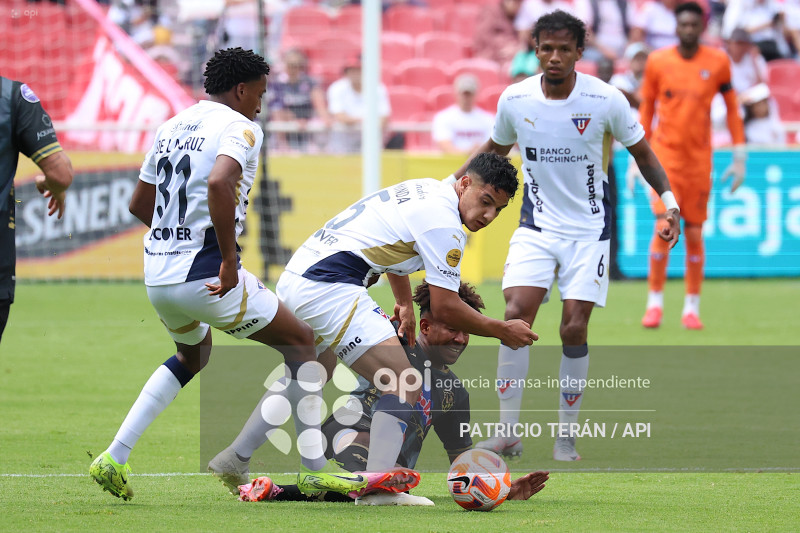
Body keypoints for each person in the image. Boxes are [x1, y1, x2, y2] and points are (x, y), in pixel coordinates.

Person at [89, 47, 367, 501]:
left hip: (159, 276)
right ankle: (314, 469)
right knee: (306, 346)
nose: (261, 103)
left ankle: (114, 457)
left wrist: (178, 243)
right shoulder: (241, 126)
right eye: (259, 93)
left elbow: (140, 204)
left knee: (191, 357)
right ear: (240, 90)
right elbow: (220, 182)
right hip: (207, 275)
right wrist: (227, 258)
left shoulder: (171, 126)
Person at [207, 152, 538, 501]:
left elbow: (397, 252)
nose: (488, 216)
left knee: (312, 371)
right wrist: (502, 329)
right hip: (330, 284)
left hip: (300, 276)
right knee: (404, 379)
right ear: (465, 183)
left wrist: (405, 303)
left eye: (498, 210)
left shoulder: (427, 190)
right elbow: (444, 306)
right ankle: (378, 488)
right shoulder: (445, 225)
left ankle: (236, 456)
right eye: (485, 202)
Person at [445, 10, 680, 461]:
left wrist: (669, 204)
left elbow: (643, 154)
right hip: (537, 226)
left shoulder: (605, 99)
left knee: (573, 328)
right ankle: (508, 432)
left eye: (563, 49)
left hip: (589, 231)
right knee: (514, 313)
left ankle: (566, 434)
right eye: (546, 49)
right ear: (535, 50)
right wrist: (445, 189)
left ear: (579, 52)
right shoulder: (515, 100)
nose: (554, 57)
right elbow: (492, 150)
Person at [234, 281, 550, 505]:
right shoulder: (393, 343)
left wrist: (502, 489)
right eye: (453, 329)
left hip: (392, 469)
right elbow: (333, 340)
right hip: (345, 434)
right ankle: (372, 484)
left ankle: (277, 491)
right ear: (424, 327)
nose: (461, 338)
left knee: (384, 484)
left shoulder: (455, 393)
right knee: (375, 474)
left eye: (467, 331)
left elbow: (460, 459)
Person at [639, 2, 747, 330]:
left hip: (699, 161)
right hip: (665, 158)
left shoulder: (717, 61)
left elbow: (731, 108)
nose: (688, 30)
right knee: (664, 227)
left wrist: (739, 154)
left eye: (693, 25)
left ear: (701, 28)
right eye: (683, 25)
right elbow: (647, 108)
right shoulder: (658, 62)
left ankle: (691, 307)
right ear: (676, 27)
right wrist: (637, 157)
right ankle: (654, 303)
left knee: (696, 232)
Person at [0, 77, 73, 345]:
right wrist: (48, 182)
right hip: (196, 275)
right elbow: (61, 174)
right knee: (198, 352)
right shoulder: (11, 97)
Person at [268, 48, 330, 152]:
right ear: (285, 64)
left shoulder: (310, 82)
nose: (294, 69)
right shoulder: (276, 84)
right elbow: (276, 111)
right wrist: (294, 119)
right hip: (283, 134)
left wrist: (325, 118)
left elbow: (320, 105)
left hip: (306, 132)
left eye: (298, 65)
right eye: (291, 65)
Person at [326, 58, 391, 153]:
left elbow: (384, 117)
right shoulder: (337, 88)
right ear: (346, 74)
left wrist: (372, 129)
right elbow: (340, 116)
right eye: (352, 71)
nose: (355, 74)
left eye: (359, 71)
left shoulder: (378, 88)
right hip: (343, 141)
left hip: (369, 140)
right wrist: (367, 120)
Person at [432, 74, 495, 154]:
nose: (467, 98)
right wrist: (469, 153)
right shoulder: (443, 117)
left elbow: (493, 146)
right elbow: (445, 145)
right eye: (464, 94)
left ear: (476, 94)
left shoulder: (488, 119)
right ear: (457, 93)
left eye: (470, 94)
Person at [472, 0, 526, 65]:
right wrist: (504, 45)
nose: (517, 7)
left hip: (510, 57)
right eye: (515, 2)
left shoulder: (517, 17)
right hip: (489, 57)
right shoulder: (491, 11)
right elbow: (483, 37)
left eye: (520, 3)